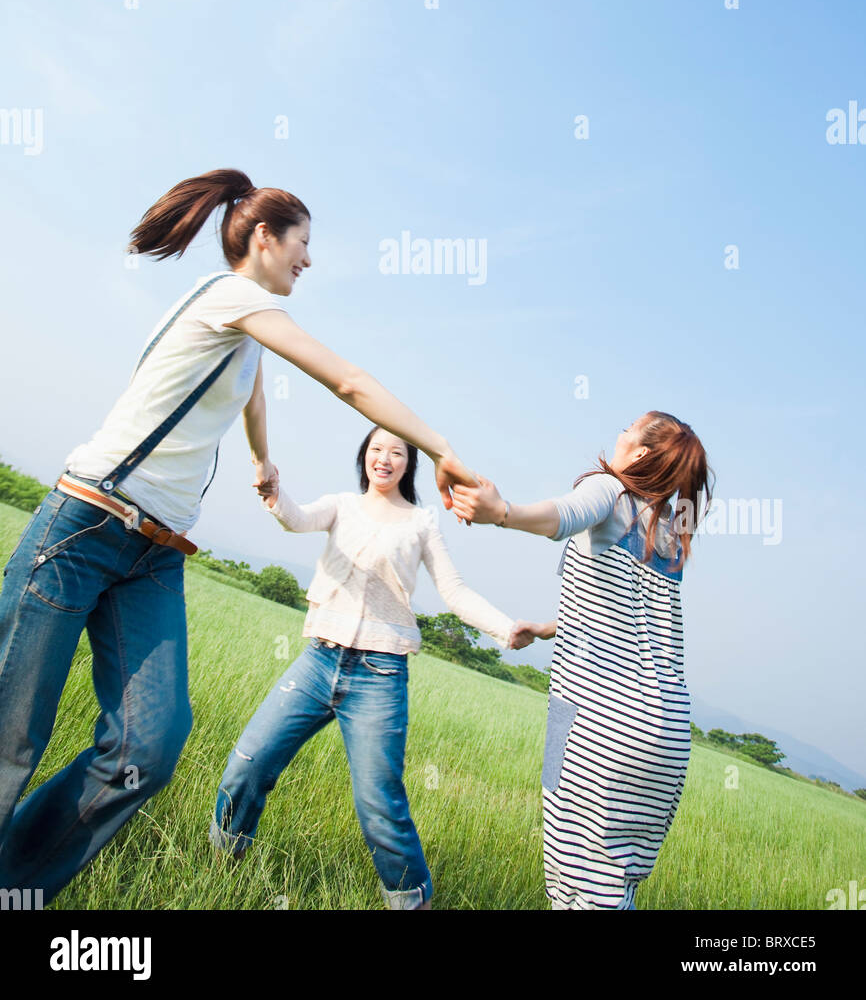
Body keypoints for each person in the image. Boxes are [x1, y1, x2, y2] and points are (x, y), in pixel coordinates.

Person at [0, 169, 477, 904]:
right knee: (11, 737)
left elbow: (251, 386)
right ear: (264, 238)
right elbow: (346, 381)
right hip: (86, 523)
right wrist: (443, 449)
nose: (309, 261)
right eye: (304, 244)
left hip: (154, 554)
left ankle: (16, 886)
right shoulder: (233, 298)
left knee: (148, 746)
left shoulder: (245, 328)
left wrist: (261, 458)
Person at [210, 425, 536, 910]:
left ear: (409, 465)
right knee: (249, 761)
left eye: (396, 452)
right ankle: (223, 864)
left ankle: (410, 900)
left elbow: (454, 590)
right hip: (318, 659)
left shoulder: (422, 522)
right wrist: (275, 491)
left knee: (379, 804)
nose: (384, 458)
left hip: (379, 675)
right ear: (365, 456)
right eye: (376, 449)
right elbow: (296, 519)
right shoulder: (342, 504)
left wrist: (506, 629)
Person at [452, 411, 712, 911]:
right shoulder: (671, 528)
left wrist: (502, 511)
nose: (616, 433)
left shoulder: (607, 488)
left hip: (595, 720)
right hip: (666, 733)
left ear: (637, 454)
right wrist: (550, 627)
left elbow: (561, 516)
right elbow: (629, 613)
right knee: (614, 888)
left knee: (575, 885)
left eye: (626, 427)